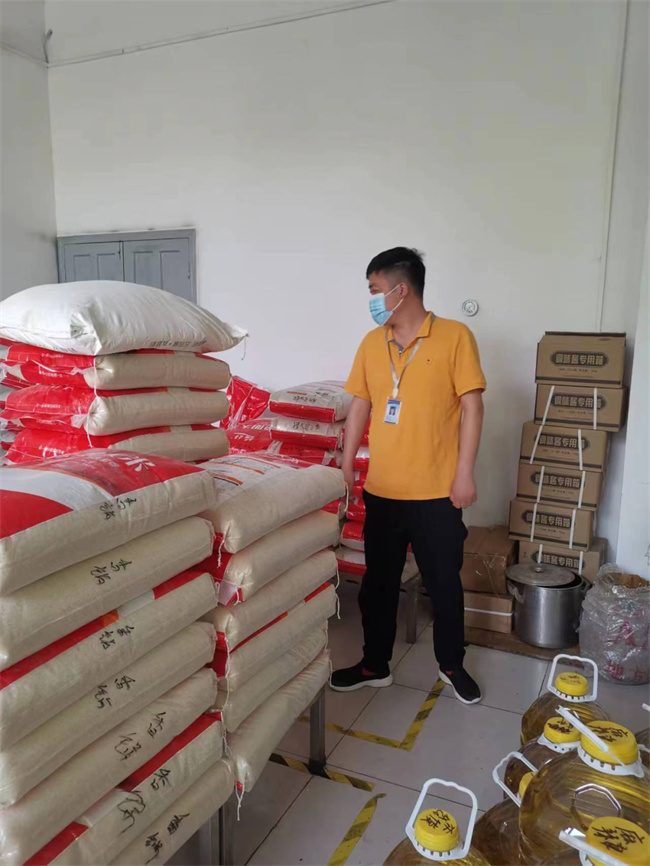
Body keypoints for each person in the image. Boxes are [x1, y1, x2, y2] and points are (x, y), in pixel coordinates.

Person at [330, 247, 486, 704]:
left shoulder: (455, 337)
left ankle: (451, 664)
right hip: (383, 491)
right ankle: (374, 664)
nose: (372, 299)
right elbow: (361, 404)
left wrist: (464, 474)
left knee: (444, 584)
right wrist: (346, 464)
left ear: (402, 290)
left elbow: (473, 407)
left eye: (375, 289)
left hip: (438, 492)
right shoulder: (371, 343)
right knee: (378, 585)